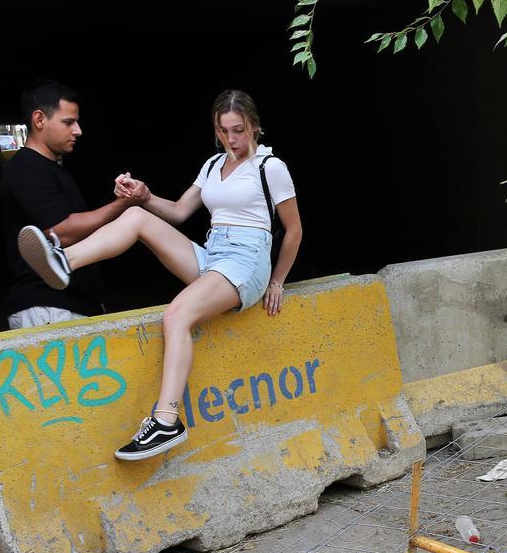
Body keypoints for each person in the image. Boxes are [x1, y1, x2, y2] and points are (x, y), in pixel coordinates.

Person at [17, 89, 303, 461]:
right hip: (214, 254)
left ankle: (166, 420)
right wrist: (143, 194)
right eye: (223, 131)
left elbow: (294, 229)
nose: (231, 140)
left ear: (254, 126)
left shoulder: (270, 167)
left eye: (239, 130)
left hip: (247, 262)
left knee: (176, 314)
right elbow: (180, 212)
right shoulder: (214, 164)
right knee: (136, 217)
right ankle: (63, 261)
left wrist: (277, 280)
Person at [1, 80, 149, 328]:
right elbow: (62, 232)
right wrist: (122, 204)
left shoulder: (50, 169)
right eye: (68, 122)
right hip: (48, 308)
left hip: (67, 306)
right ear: (39, 120)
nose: (78, 130)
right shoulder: (27, 169)